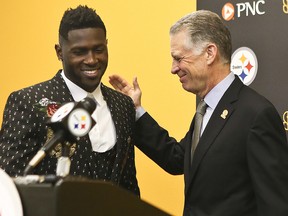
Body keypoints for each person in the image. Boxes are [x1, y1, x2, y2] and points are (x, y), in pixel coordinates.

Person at [109, 10, 288, 215]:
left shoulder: (256, 115)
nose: (173, 69)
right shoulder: (205, 110)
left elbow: (275, 205)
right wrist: (136, 111)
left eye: (178, 58)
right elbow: (177, 158)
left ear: (210, 53)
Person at [0, 5, 140, 196]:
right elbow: (10, 184)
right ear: (59, 52)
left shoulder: (123, 105)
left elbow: (128, 185)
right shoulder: (27, 102)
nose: (91, 60)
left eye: (98, 49)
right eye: (79, 52)